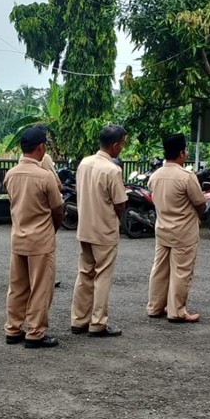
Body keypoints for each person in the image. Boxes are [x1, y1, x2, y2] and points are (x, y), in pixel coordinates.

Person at [3, 126, 65, 348]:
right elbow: (58, 209)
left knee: (17, 286)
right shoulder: (45, 176)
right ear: (41, 147)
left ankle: (13, 328)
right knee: (40, 287)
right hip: (40, 239)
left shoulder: (10, 175)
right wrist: (52, 228)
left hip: (18, 236)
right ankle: (36, 332)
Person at [71, 125, 131, 337]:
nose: (123, 147)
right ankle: (98, 323)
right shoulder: (112, 170)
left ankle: (79, 320)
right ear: (115, 146)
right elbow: (120, 202)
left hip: (84, 227)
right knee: (102, 275)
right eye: (122, 143)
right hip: (104, 230)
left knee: (85, 273)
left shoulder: (84, 163)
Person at [145, 135, 208, 324]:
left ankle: (155, 307)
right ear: (181, 153)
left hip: (162, 228)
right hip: (184, 232)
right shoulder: (186, 177)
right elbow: (200, 203)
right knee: (181, 271)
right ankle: (177, 311)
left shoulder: (155, 176)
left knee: (160, 269)